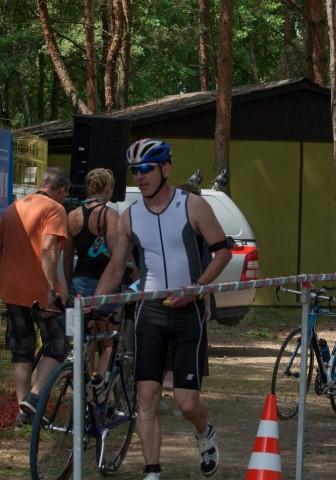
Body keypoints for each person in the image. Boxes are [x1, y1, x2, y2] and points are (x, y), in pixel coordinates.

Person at [94, 139, 231, 479]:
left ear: (166, 169)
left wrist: (196, 288)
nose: (140, 176)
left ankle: (204, 431)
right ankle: (152, 471)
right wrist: (93, 302)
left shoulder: (192, 205)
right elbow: (116, 266)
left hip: (189, 311)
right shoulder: (129, 216)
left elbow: (223, 252)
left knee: (186, 402)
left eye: (146, 169)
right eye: (135, 171)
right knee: (147, 395)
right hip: (150, 312)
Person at [0, 167, 70, 424]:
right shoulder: (55, 209)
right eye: (66, 193)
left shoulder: (15, 207)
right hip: (42, 294)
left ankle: (24, 414)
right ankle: (34, 398)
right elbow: (48, 248)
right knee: (57, 347)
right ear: (61, 189)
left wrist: (6, 274)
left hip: (13, 292)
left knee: (21, 350)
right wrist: (51, 288)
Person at [63, 168, 120, 382]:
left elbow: (67, 256)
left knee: (85, 337)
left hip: (79, 280)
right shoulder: (110, 215)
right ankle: (100, 383)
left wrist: (69, 284)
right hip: (103, 282)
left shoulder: (72, 216)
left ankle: (83, 383)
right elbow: (115, 254)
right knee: (108, 339)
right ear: (108, 189)